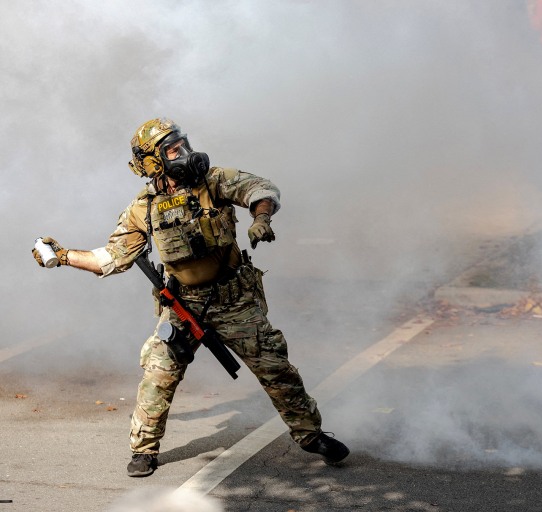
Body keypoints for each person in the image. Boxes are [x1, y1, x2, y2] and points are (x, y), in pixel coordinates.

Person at [32, 118, 349, 477]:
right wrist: (63, 257)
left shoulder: (212, 181)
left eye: (182, 144)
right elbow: (110, 258)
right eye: (172, 150)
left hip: (235, 300)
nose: (183, 153)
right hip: (183, 305)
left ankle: (310, 435)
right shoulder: (142, 208)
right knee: (158, 374)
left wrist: (262, 218)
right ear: (152, 163)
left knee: (276, 368)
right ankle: (144, 450)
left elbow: (261, 189)